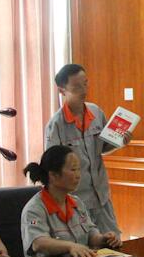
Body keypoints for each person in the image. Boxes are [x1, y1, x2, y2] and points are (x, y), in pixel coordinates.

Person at [45, 63, 130, 237]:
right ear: (62, 90)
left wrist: (120, 141)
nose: (84, 90)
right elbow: (52, 167)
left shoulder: (96, 112)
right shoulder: (56, 125)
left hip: (101, 197)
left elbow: (103, 148)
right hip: (76, 201)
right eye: (76, 87)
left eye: (85, 84)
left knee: (113, 242)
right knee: (86, 245)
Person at [22, 145, 121, 257]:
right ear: (53, 175)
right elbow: (38, 243)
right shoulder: (34, 209)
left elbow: (90, 234)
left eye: (79, 169)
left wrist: (103, 239)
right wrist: (70, 246)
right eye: (73, 170)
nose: (78, 175)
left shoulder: (77, 203)